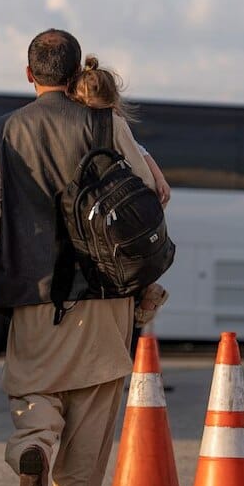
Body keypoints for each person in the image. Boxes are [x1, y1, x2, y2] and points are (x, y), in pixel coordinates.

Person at [0, 29, 157, 486]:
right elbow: (151, 190)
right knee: (94, 397)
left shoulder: (4, 131)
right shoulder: (104, 122)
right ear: (75, 75)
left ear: (30, 75)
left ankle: (35, 447)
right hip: (105, 288)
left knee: (36, 385)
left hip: (33, 290)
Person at [66, 54, 170, 329]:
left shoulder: (69, 123)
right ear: (114, 99)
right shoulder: (115, 122)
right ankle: (144, 295)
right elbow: (144, 177)